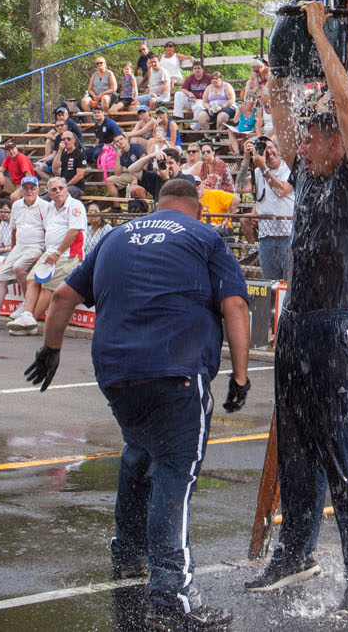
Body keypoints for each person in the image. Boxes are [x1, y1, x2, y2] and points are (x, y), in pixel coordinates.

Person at [23, 177, 250, 631]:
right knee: (175, 472)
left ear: (159, 204)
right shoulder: (206, 237)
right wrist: (240, 378)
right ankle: (172, 594)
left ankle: (127, 556)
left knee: (141, 449)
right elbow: (236, 307)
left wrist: (51, 349)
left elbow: (64, 297)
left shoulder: (115, 238)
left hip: (117, 374)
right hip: (174, 371)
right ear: (197, 206)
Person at [247, 1, 348, 617]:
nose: (299, 144)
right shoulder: (306, 175)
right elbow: (279, 115)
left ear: (333, 140)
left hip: (334, 327)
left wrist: (315, 33)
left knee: (346, 452)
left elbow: (347, 104)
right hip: (296, 327)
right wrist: (278, 61)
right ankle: (296, 553)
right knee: (297, 450)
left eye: (310, 136)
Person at [7, 177, 88, 334]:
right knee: (32, 279)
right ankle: (28, 316)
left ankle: (30, 323)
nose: (58, 191)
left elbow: (74, 232)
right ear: (49, 194)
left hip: (68, 255)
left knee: (47, 286)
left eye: (61, 188)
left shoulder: (75, 206)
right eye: (54, 189)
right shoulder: (50, 207)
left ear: (66, 189)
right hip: (49, 253)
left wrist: (57, 253)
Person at [0, 174, 50, 328]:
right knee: (1, 276)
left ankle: (25, 303)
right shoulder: (16, 206)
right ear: (21, 190)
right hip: (20, 246)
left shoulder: (45, 206)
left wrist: (45, 251)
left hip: (36, 246)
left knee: (19, 267)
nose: (29, 191)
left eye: (32, 188)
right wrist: (13, 250)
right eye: (26, 188)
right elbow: (14, 230)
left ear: (38, 190)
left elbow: (47, 231)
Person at [248, 135, 295, 281]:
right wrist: (245, 161)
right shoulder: (257, 172)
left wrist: (263, 167)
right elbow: (240, 187)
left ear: (278, 149)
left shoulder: (289, 169)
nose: (268, 152)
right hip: (266, 237)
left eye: (270, 147)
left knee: (290, 284)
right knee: (269, 284)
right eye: (263, 149)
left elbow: (281, 190)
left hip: (287, 236)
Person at [0, 137, 37, 205]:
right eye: (9, 150)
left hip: (25, 184)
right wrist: (0, 173)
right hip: (14, 184)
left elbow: (29, 177)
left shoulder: (21, 158)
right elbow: (0, 170)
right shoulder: (8, 158)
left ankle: (13, 214)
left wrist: (23, 189)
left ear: (16, 148)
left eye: (12, 149)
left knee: (14, 197)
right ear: (6, 152)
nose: (11, 151)